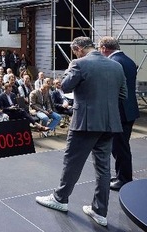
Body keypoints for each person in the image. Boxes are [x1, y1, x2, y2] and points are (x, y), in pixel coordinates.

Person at [35, 37, 127, 227]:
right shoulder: (116, 66)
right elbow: (123, 95)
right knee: (103, 169)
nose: (74, 55)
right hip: (110, 123)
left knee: (72, 161)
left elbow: (66, 86)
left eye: (74, 52)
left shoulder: (79, 63)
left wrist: (70, 68)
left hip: (85, 123)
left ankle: (60, 199)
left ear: (78, 49)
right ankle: (100, 211)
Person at [99, 36, 140, 191]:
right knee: (121, 146)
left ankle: (124, 179)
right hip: (129, 110)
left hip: (120, 111)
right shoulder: (128, 60)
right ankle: (121, 175)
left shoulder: (113, 63)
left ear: (104, 48)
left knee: (119, 147)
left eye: (99, 49)